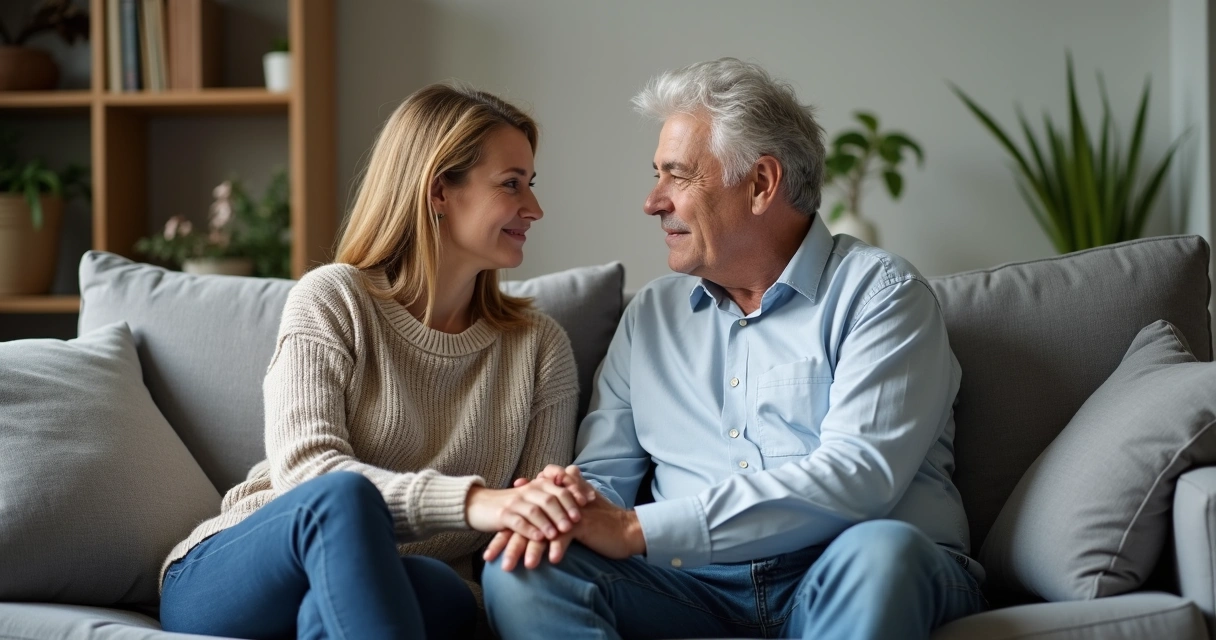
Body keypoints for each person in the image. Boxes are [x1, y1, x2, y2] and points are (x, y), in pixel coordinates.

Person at [482, 58, 987, 640]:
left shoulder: (882, 295)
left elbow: (858, 477)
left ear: (762, 184)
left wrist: (637, 531)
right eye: (657, 176)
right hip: (695, 590)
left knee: (883, 551)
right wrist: (562, 507)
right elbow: (606, 477)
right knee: (524, 566)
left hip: (850, 568)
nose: (653, 202)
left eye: (678, 176)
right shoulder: (649, 318)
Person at [159, 83, 591, 640]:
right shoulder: (332, 299)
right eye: (512, 185)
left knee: (433, 591)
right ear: (439, 190)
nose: (534, 208)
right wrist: (477, 501)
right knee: (344, 499)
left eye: (530, 185)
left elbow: (526, 528)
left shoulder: (539, 348)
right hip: (244, 575)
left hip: (402, 585)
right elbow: (305, 478)